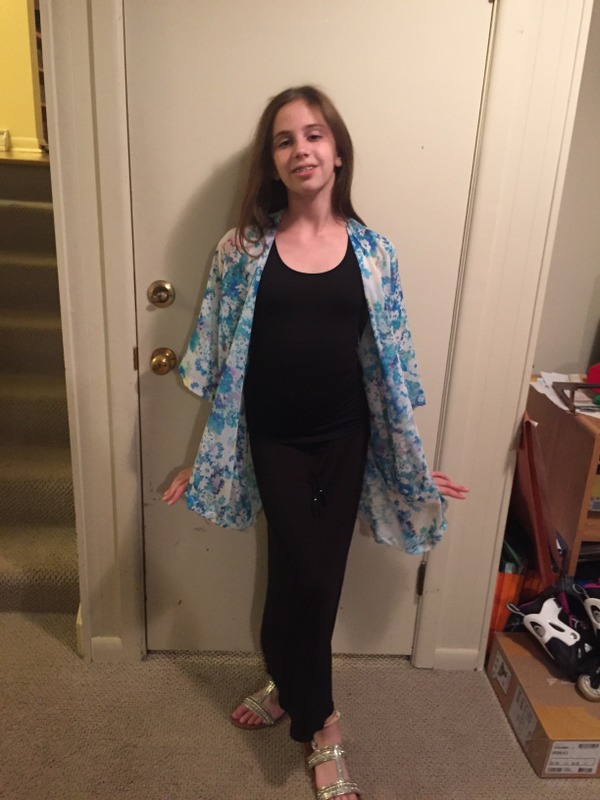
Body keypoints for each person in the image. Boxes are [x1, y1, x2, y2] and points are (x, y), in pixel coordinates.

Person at [163, 85, 468, 800]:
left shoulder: (375, 253)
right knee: (303, 574)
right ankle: (322, 723)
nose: (301, 149)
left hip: (346, 438)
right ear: (272, 162)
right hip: (273, 439)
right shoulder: (242, 250)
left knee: (312, 580)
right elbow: (218, 357)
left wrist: (410, 461)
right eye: (285, 139)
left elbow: (390, 365)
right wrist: (200, 458)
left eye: (313, 135)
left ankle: (284, 685)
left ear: (337, 153)